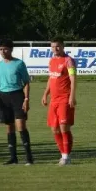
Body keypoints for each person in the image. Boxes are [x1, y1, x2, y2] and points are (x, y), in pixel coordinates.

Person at [41, 37, 77, 166]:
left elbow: (73, 79)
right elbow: (51, 78)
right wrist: (45, 94)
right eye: (53, 46)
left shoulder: (68, 61)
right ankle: (64, 155)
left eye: (58, 46)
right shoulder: (51, 61)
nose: (55, 49)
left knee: (63, 128)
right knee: (54, 129)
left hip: (64, 99)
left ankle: (66, 157)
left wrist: (72, 96)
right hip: (54, 100)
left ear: (63, 46)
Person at [0, 39, 33, 165]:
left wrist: (26, 99)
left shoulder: (19, 64)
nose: (3, 51)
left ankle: (29, 157)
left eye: (5, 49)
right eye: (1, 49)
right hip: (3, 97)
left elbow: (26, 83)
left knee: (21, 126)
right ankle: (13, 158)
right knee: (9, 127)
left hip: (17, 95)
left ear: (11, 49)